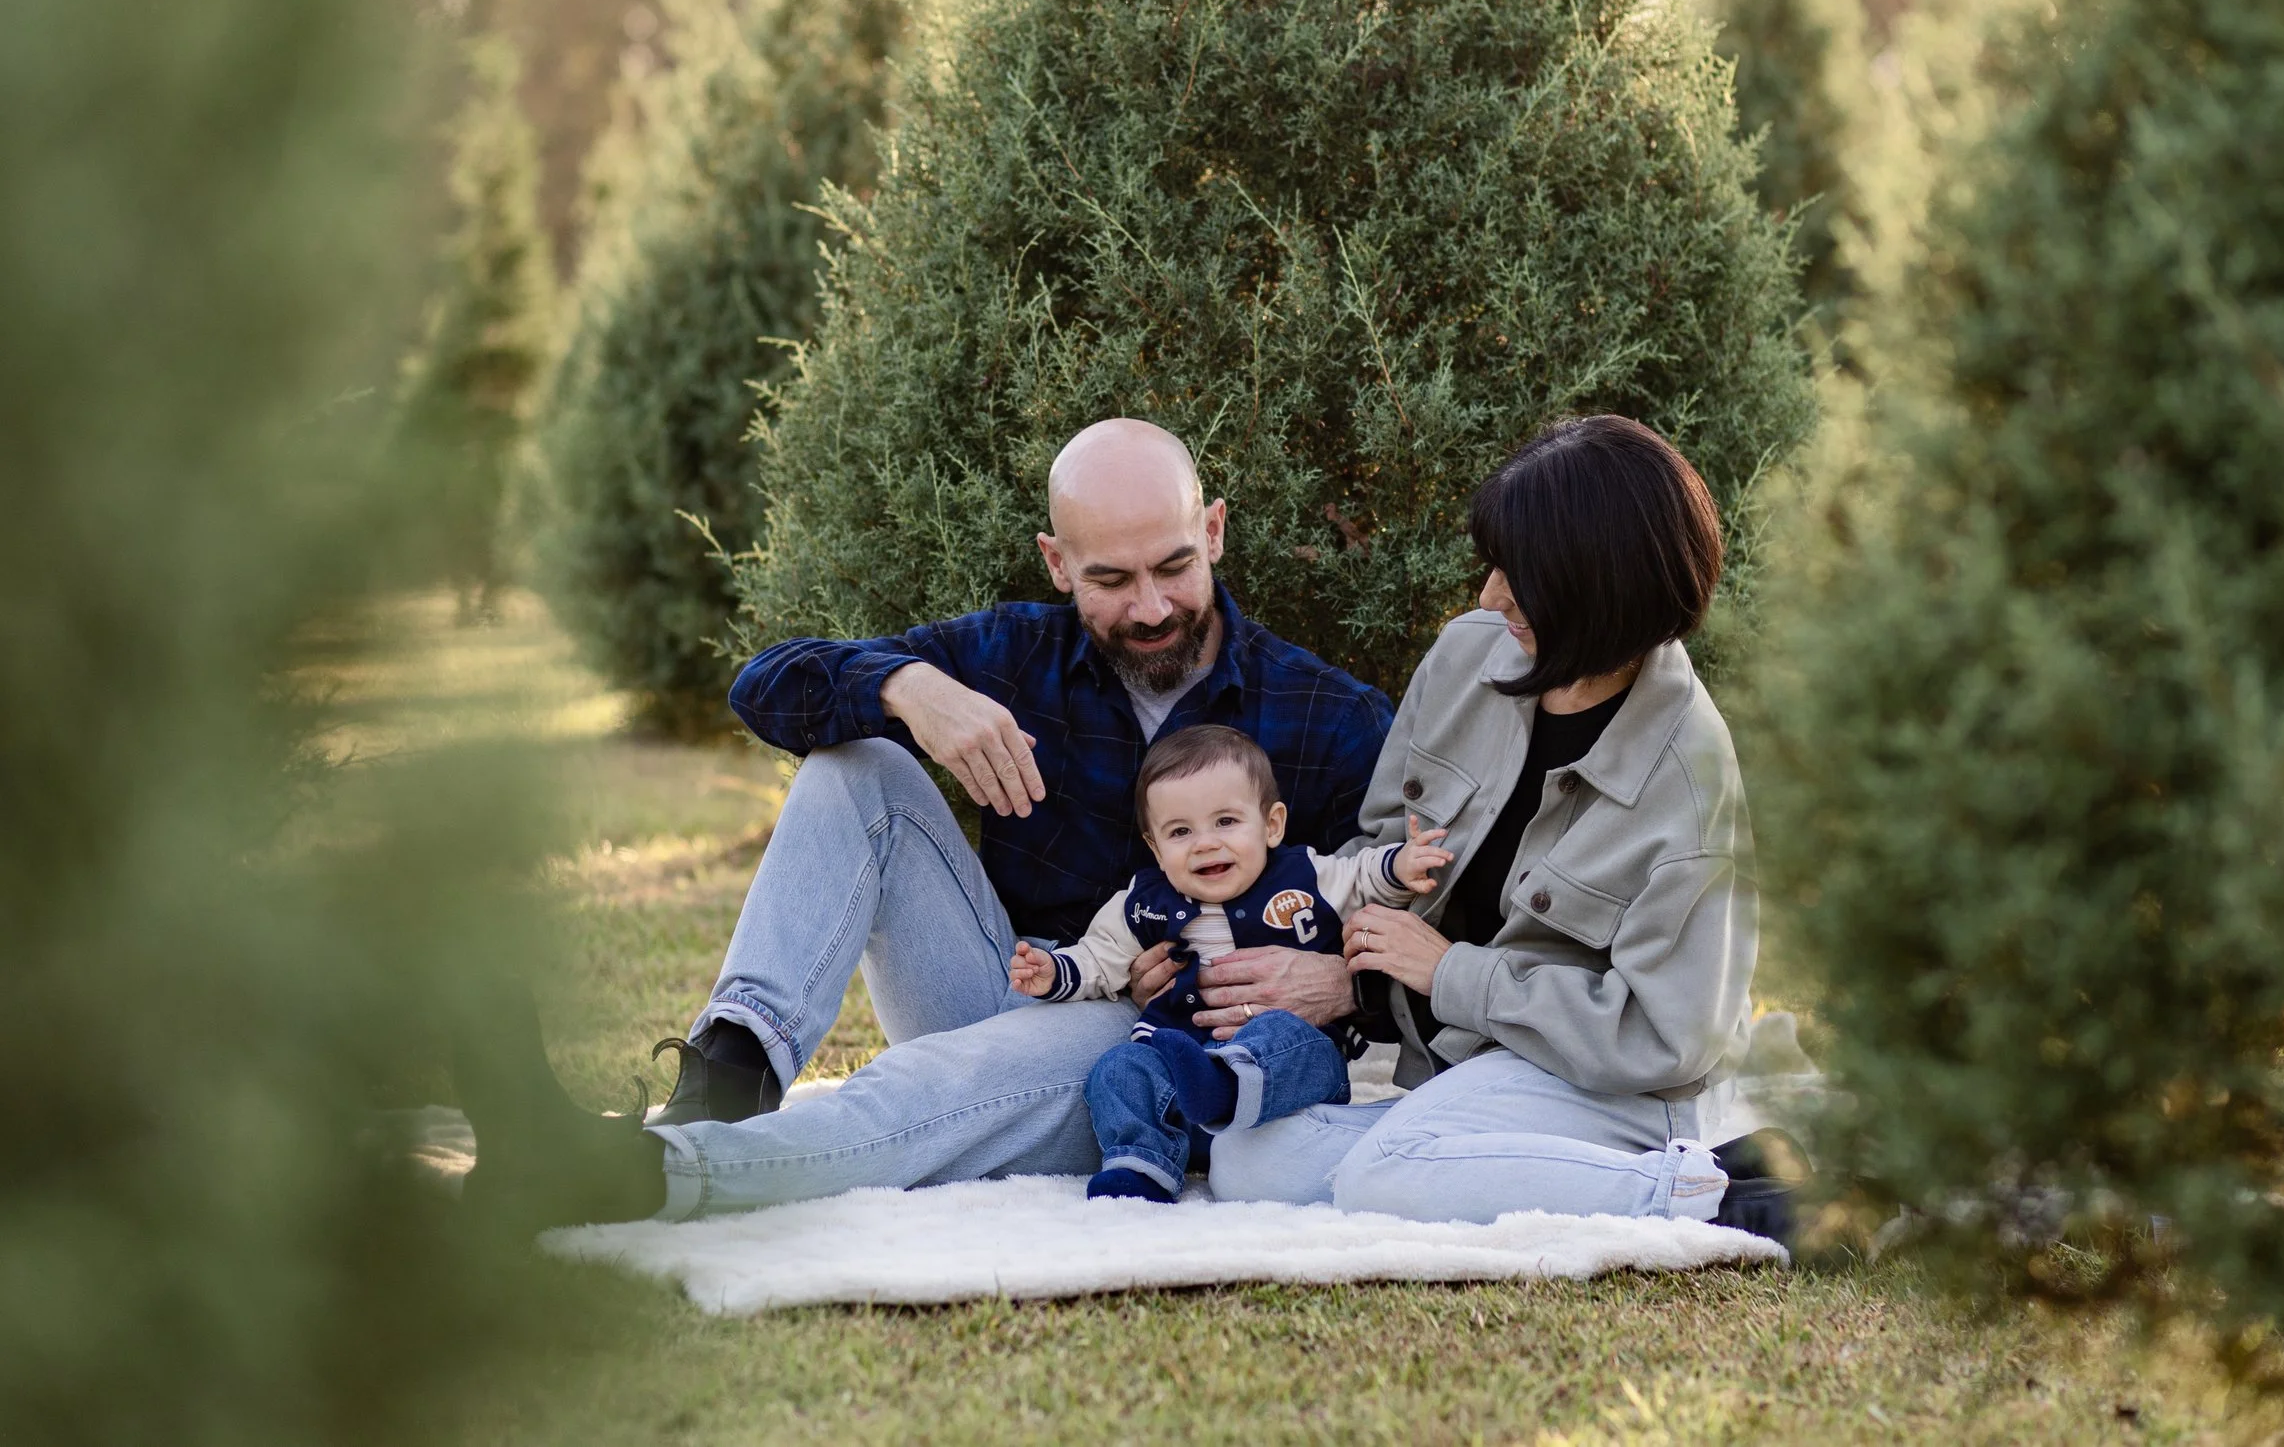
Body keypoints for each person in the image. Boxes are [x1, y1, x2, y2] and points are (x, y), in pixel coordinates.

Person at [455, 419, 1393, 1229]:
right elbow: (763, 687)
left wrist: (1342, 984)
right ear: (1057, 562)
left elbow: (1430, 914)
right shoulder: (1015, 652)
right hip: (1008, 983)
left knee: (906, 1099)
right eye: (1111, 578)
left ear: (1215, 531)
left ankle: (631, 1174)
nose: (1150, 607)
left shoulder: (1328, 715)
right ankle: (723, 1083)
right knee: (856, 760)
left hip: (1157, 1060)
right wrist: (908, 690)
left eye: (1174, 566)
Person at [1207, 415, 1806, 1241]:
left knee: (1388, 1173)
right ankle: (1699, 1170)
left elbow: (1666, 1039)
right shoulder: (1465, 658)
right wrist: (1345, 960)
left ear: (1597, 590)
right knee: (1252, 1162)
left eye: (1520, 575)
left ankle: (1723, 1196)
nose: (1490, 595)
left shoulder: (1690, 781)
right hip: (1458, 1070)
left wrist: (1454, 972)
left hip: (1615, 1092)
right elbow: (1373, 855)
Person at [1007, 724, 1451, 1201]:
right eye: (1180, 831)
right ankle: (1142, 1164)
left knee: (1290, 1035)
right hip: (1180, 1080)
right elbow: (1099, 957)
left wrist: (1403, 865)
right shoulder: (1144, 903)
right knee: (1118, 1068)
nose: (1205, 843)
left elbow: (1362, 876)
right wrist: (1052, 973)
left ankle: (1228, 1083)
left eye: (1226, 822)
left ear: (1272, 825)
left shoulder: (1305, 876)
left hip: (1287, 1089)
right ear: (1155, 848)